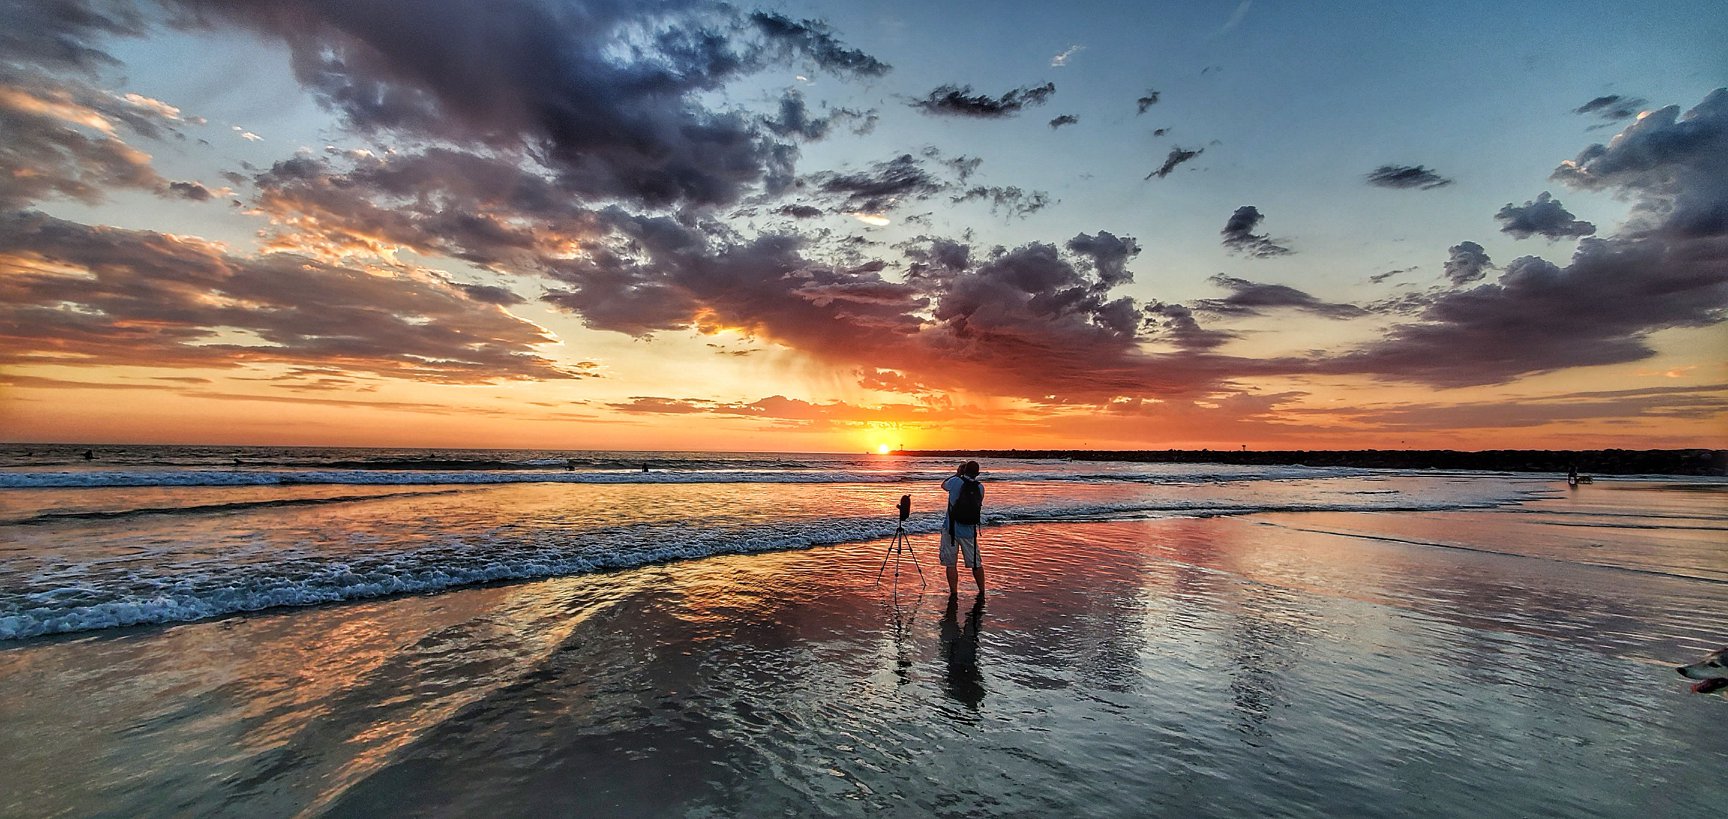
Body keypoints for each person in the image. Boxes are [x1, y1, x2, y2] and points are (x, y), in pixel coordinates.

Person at [940, 460, 985, 597]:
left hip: (951, 529)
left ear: (963, 471)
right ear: (977, 473)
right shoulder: (980, 487)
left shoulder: (955, 481)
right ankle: (982, 591)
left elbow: (943, 485)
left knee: (951, 563)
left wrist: (957, 474)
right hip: (970, 531)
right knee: (976, 563)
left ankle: (954, 592)